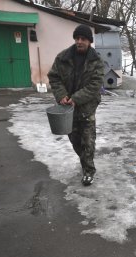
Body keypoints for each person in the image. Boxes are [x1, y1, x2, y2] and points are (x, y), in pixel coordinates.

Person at [47, 24, 104, 186]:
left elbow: (95, 85)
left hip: (87, 108)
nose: (79, 41)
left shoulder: (96, 61)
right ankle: (84, 161)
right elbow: (54, 77)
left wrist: (76, 98)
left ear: (89, 41)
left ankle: (88, 170)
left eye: (83, 39)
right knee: (74, 140)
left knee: (88, 140)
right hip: (67, 109)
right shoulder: (62, 58)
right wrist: (61, 96)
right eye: (77, 38)